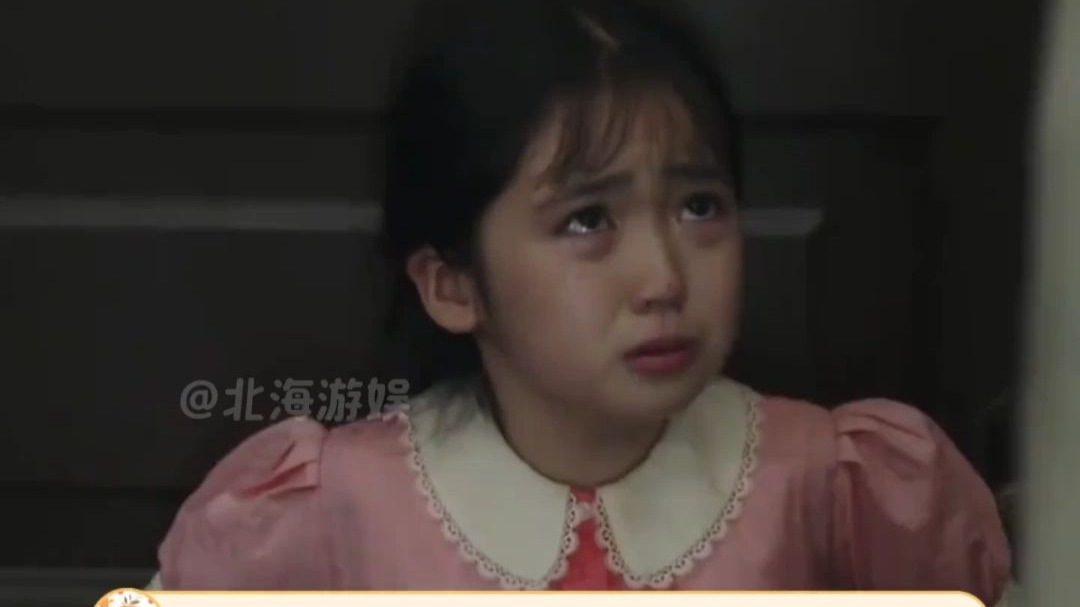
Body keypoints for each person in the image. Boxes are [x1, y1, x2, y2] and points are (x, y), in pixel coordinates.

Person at [150, 0, 1014, 601]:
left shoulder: (837, 486)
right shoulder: (328, 508)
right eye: (588, 219)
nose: (664, 277)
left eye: (699, 206)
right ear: (453, 284)